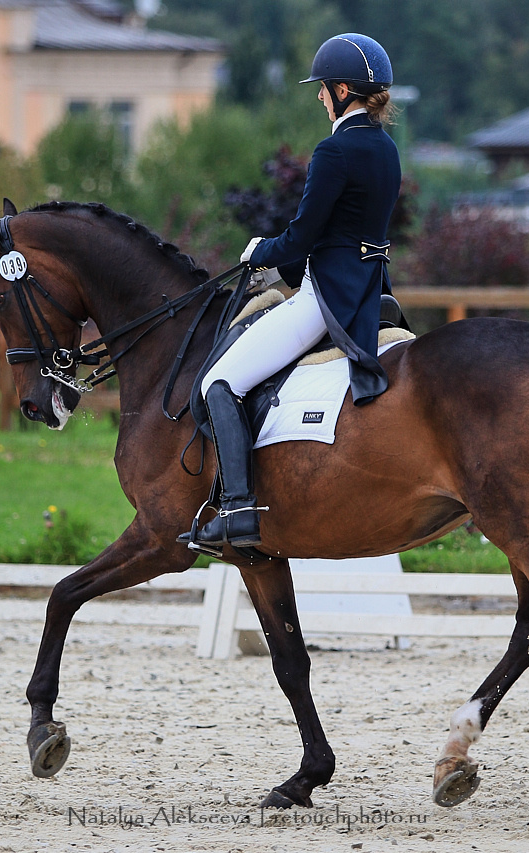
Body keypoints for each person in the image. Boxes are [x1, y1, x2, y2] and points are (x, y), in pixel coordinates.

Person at [183, 33, 402, 553]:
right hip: (372, 290)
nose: (320, 97)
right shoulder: (386, 149)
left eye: (324, 89)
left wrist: (259, 251)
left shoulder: (334, 150)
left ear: (343, 89)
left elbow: (301, 239)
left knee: (219, 381)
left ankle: (236, 511)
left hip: (325, 299)